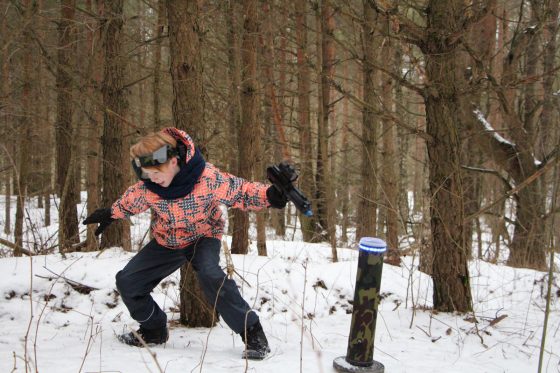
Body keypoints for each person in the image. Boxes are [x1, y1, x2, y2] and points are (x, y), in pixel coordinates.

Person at [83, 127, 288, 360]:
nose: (151, 179)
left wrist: (270, 195)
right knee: (128, 281)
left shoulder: (206, 178)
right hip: (166, 241)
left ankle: (253, 333)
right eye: (147, 174)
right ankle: (154, 330)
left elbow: (240, 191)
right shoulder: (150, 186)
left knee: (211, 276)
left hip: (203, 237)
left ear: (172, 161)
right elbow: (132, 200)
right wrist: (111, 213)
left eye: (155, 173)